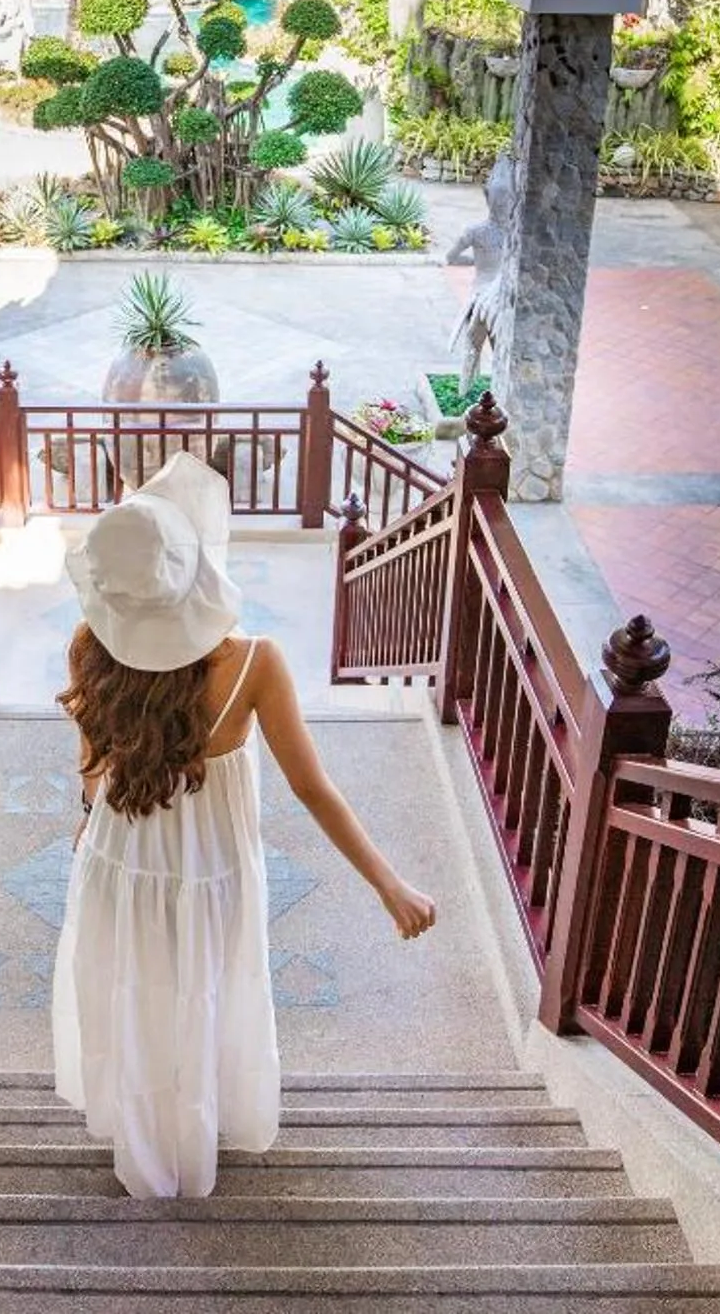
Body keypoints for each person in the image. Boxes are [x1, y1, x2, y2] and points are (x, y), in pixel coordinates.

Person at [50, 454, 437, 1199]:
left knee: (135, 994)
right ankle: (194, 1138)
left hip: (117, 857)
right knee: (204, 992)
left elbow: (92, 767)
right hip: (212, 868)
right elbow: (311, 788)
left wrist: (89, 820)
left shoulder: (87, 645)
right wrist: (389, 884)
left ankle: (147, 1146)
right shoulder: (256, 660)